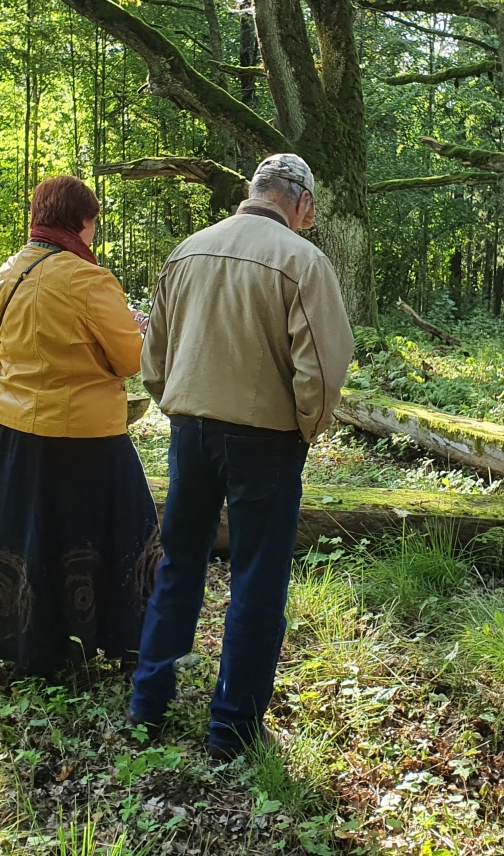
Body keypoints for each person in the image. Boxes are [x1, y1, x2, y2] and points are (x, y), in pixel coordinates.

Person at [130, 153, 355, 760]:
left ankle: (148, 701)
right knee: (257, 577)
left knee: (179, 562)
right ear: (301, 202)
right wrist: (304, 431)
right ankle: (231, 730)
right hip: (265, 440)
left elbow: (154, 357)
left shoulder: (187, 252)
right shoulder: (303, 261)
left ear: (254, 191)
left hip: (191, 430)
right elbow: (322, 368)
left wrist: (180, 406)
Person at [0, 175, 155, 675]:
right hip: (82, 437)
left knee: (27, 537)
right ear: (80, 222)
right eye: (92, 224)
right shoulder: (89, 279)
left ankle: (28, 645)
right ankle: (118, 639)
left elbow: (5, 349)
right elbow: (130, 358)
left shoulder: (7, 273)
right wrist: (137, 327)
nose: (93, 235)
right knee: (107, 536)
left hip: (8, 432)